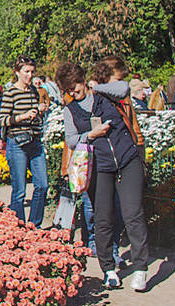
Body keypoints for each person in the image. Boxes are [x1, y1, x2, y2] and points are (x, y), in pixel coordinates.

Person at [60, 59, 150, 291]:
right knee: (103, 218)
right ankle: (108, 269)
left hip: (127, 159)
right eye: (68, 90)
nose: (73, 92)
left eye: (75, 86)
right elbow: (70, 139)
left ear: (82, 80)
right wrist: (90, 134)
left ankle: (141, 268)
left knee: (133, 213)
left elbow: (124, 88)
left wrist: (94, 87)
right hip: (100, 167)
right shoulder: (70, 111)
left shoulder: (105, 96)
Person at [0, 56, 49, 228]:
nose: (30, 75)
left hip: (34, 141)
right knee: (19, 190)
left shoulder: (34, 92)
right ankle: (18, 225)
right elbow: (3, 120)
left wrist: (39, 111)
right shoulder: (11, 92)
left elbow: (34, 116)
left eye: (32, 72)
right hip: (17, 143)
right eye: (26, 72)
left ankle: (35, 224)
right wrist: (23, 116)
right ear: (17, 72)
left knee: (42, 185)